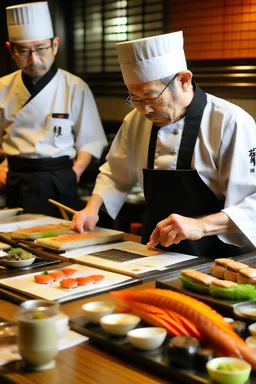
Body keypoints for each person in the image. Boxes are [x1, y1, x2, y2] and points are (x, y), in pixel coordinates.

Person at [71, 31, 256, 258]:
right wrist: (92, 208)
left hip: (216, 253)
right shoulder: (135, 121)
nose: (145, 110)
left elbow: (253, 203)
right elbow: (115, 173)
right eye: (135, 99)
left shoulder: (230, 122)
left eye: (151, 97)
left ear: (183, 80)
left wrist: (199, 226)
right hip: (154, 250)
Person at [0, 1, 107, 217]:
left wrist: (75, 172)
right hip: (16, 178)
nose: (34, 59)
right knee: (17, 244)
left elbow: (91, 139)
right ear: (11, 50)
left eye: (41, 48)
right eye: (24, 51)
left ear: (55, 45)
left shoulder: (75, 86)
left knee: (58, 241)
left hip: (59, 179)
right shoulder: (2, 87)